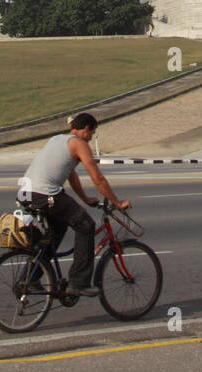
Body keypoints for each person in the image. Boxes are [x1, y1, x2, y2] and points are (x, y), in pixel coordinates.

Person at [19, 112, 130, 297]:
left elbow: (70, 173)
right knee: (86, 225)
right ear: (86, 129)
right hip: (45, 194)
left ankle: (30, 278)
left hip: (26, 192)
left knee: (56, 231)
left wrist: (85, 198)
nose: (91, 137)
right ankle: (79, 283)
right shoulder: (79, 144)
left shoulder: (57, 139)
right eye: (92, 133)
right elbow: (97, 178)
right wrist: (117, 202)